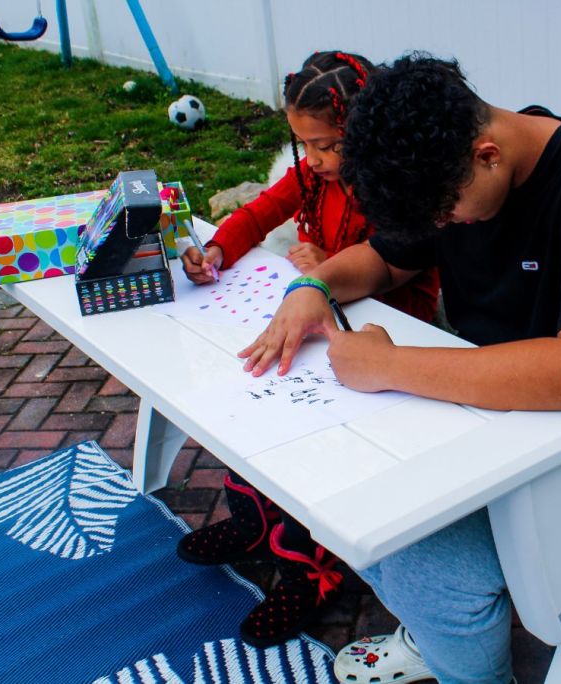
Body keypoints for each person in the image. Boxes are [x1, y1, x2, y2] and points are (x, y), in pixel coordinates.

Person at [238, 54, 561, 683]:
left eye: (448, 216)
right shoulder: (444, 165)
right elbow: (383, 259)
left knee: (427, 566)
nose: (444, 228)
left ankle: (464, 663)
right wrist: (312, 288)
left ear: (488, 154)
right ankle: (445, 638)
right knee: (352, 506)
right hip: (501, 416)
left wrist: (389, 365)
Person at [176, 51, 439, 650]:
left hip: (380, 334)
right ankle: (254, 521)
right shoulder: (311, 176)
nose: (313, 159)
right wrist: (218, 250)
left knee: (320, 447)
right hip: (317, 319)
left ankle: (313, 568)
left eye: (326, 145)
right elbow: (261, 211)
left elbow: (405, 276)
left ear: (365, 131)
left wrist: (331, 269)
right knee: (253, 394)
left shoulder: (394, 188)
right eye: (303, 144)